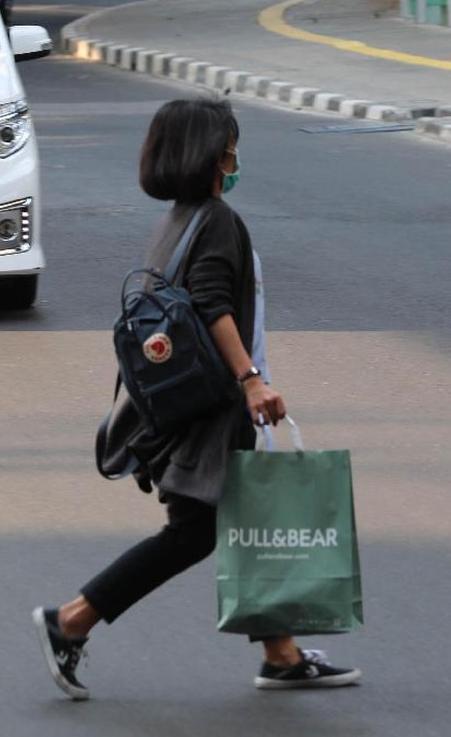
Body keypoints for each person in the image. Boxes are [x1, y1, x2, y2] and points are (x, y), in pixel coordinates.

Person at [31, 97, 360, 701]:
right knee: (195, 530)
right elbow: (212, 306)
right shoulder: (215, 220)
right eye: (231, 142)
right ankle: (71, 619)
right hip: (210, 408)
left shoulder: (181, 219)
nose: (236, 153)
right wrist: (252, 379)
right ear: (212, 152)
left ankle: (282, 655)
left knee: (239, 519)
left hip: (188, 405)